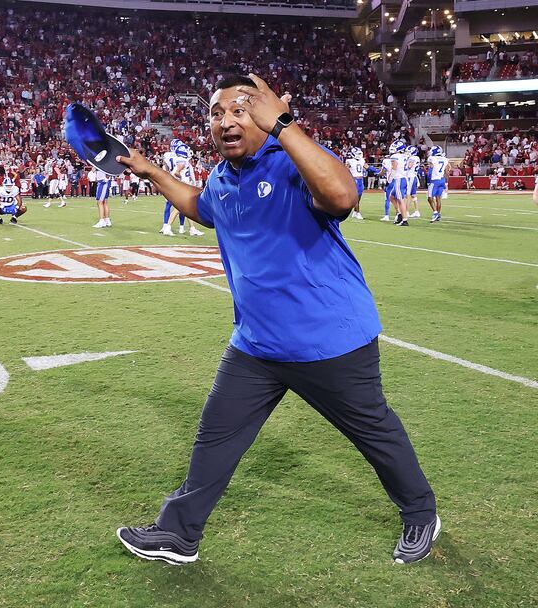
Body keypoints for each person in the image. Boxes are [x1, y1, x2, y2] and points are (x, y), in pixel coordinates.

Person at [115, 74, 439, 566]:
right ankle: (179, 534)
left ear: (266, 114)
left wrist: (285, 125)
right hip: (257, 346)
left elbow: (342, 197)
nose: (226, 121)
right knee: (215, 435)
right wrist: (151, 171)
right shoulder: (223, 177)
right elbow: (202, 209)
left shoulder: (293, 160)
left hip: (329, 341)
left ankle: (420, 513)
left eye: (241, 110)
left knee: (375, 433)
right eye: (217, 113)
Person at [426, 146, 450, 223]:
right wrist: (446, 182)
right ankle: (438, 215)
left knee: (429, 198)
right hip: (442, 180)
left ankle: (435, 213)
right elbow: (447, 171)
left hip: (434, 180)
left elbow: (431, 168)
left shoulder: (432, 158)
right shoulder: (445, 159)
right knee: (438, 198)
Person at [345, 147, 367, 220]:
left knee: (359, 197)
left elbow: (367, 167)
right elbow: (346, 169)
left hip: (361, 180)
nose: (359, 155)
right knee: (356, 197)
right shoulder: (349, 161)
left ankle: (355, 211)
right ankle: (358, 212)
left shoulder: (362, 160)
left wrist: (375, 171)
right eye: (358, 153)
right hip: (354, 179)